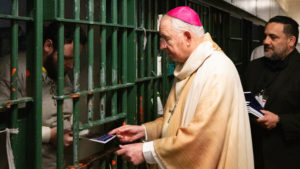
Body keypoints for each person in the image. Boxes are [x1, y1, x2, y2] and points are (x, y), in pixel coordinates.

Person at [109, 6, 254, 169]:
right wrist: (144, 131)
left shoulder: (216, 70)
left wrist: (146, 151)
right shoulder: (190, 66)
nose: (162, 46)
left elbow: (202, 140)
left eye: (166, 39)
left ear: (187, 37)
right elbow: (174, 120)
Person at [0, 22, 86, 169]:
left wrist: (75, 125)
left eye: (74, 59)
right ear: (48, 46)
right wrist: (50, 135)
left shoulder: (59, 69)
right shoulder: (11, 68)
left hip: (63, 161)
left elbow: (66, 107)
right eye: (66, 58)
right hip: (30, 162)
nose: (71, 65)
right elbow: (6, 124)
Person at [244, 16, 300, 169]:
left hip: (288, 158)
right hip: (252, 154)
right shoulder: (253, 67)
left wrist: (280, 120)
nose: (265, 41)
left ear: (291, 41)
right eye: (265, 36)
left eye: (273, 37)